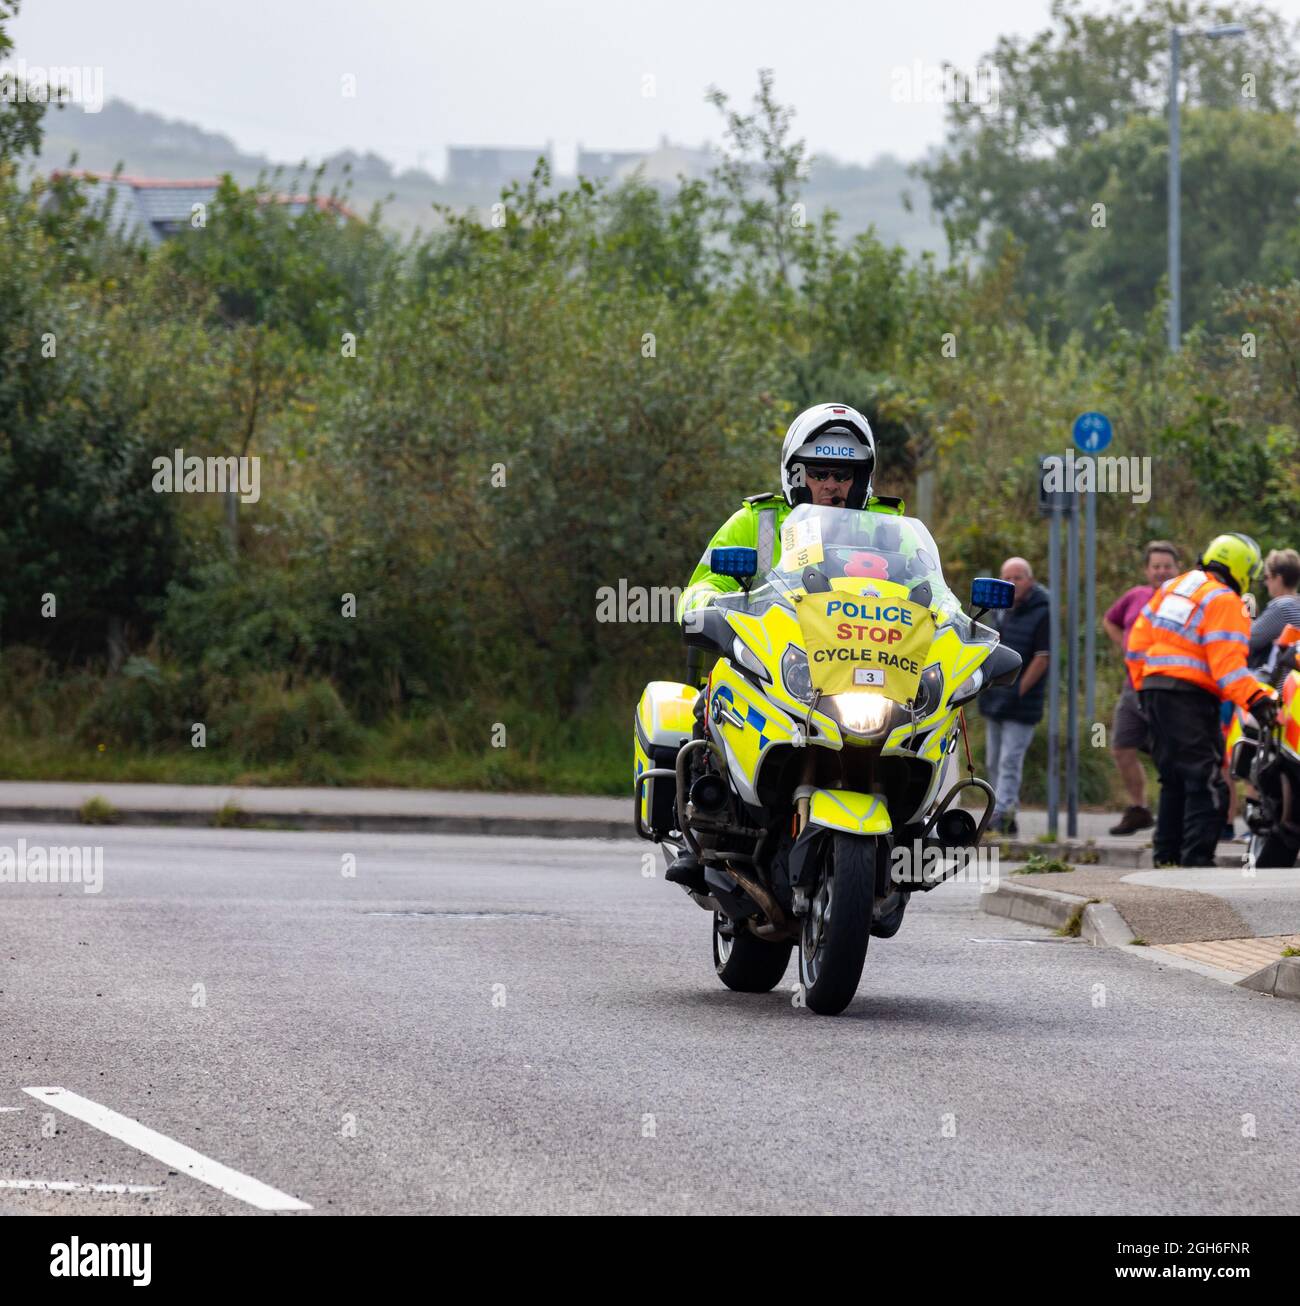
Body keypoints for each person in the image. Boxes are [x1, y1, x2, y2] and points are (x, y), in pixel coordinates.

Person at [666, 402, 904, 891]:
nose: (832, 485)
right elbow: (703, 581)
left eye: (845, 474)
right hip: (778, 660)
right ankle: (702, 829)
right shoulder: (756, 520)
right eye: (820, 472)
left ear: (863, 479)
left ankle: (916, 830)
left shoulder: (888, 529)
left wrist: (955, 624)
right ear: (797, 472)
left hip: (859, 668)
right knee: (717, 692)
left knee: (925, 718)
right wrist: (710, 604)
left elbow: (929, 593)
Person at [1127, 533, 1278, 867]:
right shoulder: (1224, 601)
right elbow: (1228, 669)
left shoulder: (1172, 588)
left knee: (1173, 781)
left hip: (1154, 691)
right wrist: (1259, 700)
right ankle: (1195, 864)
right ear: (1238, 568)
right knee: (1206, 781)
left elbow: (1136, 644)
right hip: (1189, 698)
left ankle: (1166, 860)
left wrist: (1144, 688)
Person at [1104, 541, 1181, 835]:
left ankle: (1175, 812)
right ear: (1147, 570)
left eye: (1167, 567)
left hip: (1169, 688)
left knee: (1169, 751)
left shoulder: (1182, 599)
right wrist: (1126, 647)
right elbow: (1110, 621)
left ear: (1177, 569)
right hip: (1133, 686)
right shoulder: (1136, 595)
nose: (1161, 572)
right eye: (1156, 566)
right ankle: (1139, 809)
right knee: (1122, 746)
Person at [978, 557, 1051, 836]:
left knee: (1010, 759)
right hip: (994, 695)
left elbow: (1043, 658)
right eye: (1006, 577)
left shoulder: (1041, 611)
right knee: (994, 759)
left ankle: (1006, 812)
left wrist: (1018, 690)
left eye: (1017, 577)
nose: (1011, 583)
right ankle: (997, 809)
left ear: (1029, 580)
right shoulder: (998, 609)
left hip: (1021, 702)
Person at [1248, 549, 1300, 671]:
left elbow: (1249, 639)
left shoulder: (1282, 607)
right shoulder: (1296, 604)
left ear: (1279, 578)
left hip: (1282, 685)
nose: (1266, 583)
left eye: (1267, 577)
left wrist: (1247, 614)